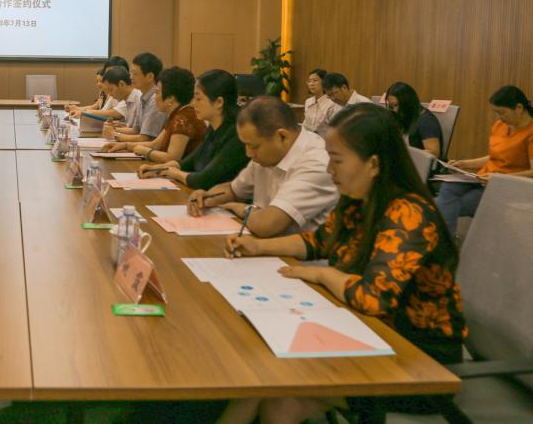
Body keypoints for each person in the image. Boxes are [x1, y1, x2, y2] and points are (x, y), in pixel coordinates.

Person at [220, 104, 465, 424]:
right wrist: (258, 246)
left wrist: (324, 274)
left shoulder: (409, 214)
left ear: (373, 164)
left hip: (417, 359)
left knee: (274, 390)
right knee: (263, 380)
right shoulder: (358, 199)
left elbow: (372, 297)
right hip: (364, 332)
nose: (329, 170)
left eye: (336, 160)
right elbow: (319, 241)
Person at [187, 96, 338, 237]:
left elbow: (267, 225)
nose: (248, 153)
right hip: (264, 246)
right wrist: (206, 198)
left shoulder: (317, 163)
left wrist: (241, 208)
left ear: (282, 136)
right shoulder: (266, 154)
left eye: (253, 146)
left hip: (296, 254)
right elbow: (233, 190)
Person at [436, 85, 533, 235]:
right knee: (448, 187)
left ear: (519, 108)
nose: (499, 118)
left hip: (506, 185)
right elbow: (494, 157)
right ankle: (447, 240)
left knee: (450, 204)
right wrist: (464, 164)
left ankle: (445, 241)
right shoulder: (501, 125)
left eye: (502, 113)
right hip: (483, 178)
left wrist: (499, 178)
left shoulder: (530, 133)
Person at [139, 69, 249, 189]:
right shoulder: (214, 129)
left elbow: (204, 179)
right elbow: (189, 162)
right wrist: (158, 168)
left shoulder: (236, 135)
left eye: (198, 99)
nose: (193, 104)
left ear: (219, 102)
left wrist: (174, 173)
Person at [118, 67, 204, 162]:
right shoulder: (177, 114)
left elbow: (172, 158)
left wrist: (146, 152)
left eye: (157, 92)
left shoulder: (183, 119)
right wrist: (124, 145)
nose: (155, 97)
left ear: (171, 98)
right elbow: (155, 144)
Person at [104, 52, 167, 143]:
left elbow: (146, 138)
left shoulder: (155, 99)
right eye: (131, 73)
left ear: (149, 76)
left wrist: (114, 135)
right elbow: (135, 131)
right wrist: (114, 129)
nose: (131, 77)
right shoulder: (143, 97)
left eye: (135, 74)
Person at [385, 81, 442, 158]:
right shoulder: (401, 117)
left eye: (396, 105)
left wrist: (402, 152)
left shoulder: (426, 121)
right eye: (391, 107)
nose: (395, 110)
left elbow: (433, 153)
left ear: (407, 103)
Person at [302, 67, 334, 135]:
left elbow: (333, 129)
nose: (311, 84)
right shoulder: (308, 101)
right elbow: (305, 124)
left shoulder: (331, 103)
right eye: (309, 81)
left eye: (315, 80)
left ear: (324, 82)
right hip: (308, 138)